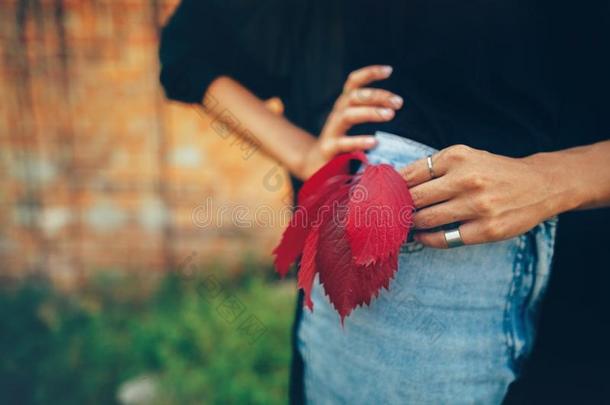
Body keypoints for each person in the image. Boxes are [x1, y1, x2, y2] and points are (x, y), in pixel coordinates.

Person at [159, 1, 610, 403]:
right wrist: (302, 153)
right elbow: (188, 50)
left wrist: (553, 180)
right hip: (358, 317)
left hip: (565, 294)